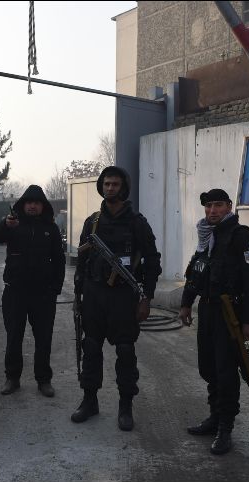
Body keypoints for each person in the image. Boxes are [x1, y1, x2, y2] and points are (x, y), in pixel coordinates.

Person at [72, 166, 161, 431]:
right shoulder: (93, 221)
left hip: (123, 296)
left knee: (125, 350)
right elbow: (82, 261)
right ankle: (89, 401)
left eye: (115, 184)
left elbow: (152, 261)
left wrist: (146, 298)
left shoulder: (137, 222)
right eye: (107, 184)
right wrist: (78, 294)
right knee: (91, 347)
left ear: (124, 188)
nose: (110, 188)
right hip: (94, 294)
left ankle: (125, 406)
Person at [178, 188, 249, 455]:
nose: (212, 210)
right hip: (207, 310)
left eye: (217, 205)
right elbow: (196, 271)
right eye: (208, 206)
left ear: (228, 207)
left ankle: (225, 428)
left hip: (230, 314)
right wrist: (186, 302)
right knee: (209, 368)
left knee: (226, 372)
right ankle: (214, 418)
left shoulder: (241, 236)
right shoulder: (207, 236)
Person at [0, 185, 65, 397]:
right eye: (29, 202)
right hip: (15, 292)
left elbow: (59, 260)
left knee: (44, 338)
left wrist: (55, 288)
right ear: (23, 205)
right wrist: (5, 225)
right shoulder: (13, 224)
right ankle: (12, 378)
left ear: (43, 206)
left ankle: (44, 380)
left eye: (37, 203)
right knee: (14, 337)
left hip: (43, 294)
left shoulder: (51, 228)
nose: (32, 206)